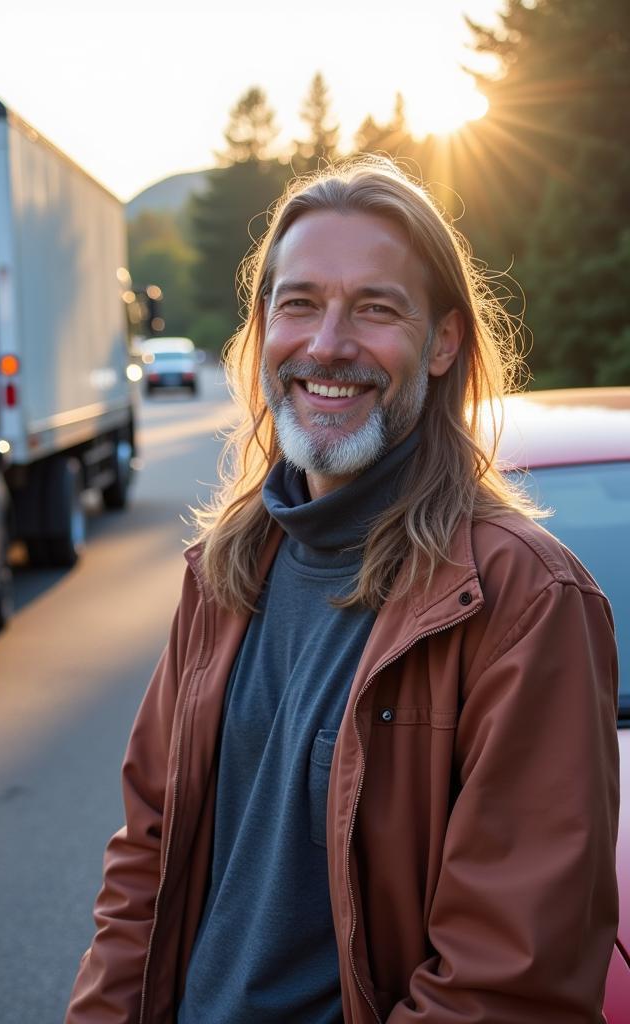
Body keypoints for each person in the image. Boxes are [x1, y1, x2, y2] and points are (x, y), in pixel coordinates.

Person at [66, 159, 619, 1023]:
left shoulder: (521, 598)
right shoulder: (221, 574)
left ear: (441, 344)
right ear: (264, 330)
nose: (327, 344)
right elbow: (145, 864)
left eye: (375, 307)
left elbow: (509, 981)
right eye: (299, 303)